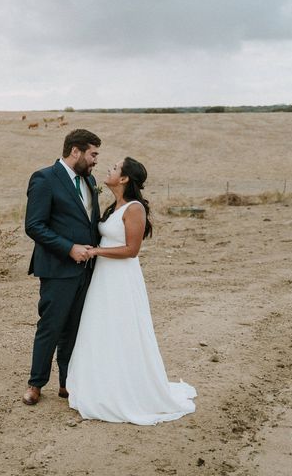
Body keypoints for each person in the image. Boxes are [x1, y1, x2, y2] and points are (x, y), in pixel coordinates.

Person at [66, 157, 197, 424]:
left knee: (121, 329)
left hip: (121, 279)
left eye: (115, 168)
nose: (109, 169)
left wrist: (95, 251)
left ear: (124, 178)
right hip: (104, 277)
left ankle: (126, 391)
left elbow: (131, 250)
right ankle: (101, 385)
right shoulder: (115, 205)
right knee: (101, 328)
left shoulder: (135, 208)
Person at [23, 128, 102, 405]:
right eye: (93, 154)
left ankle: (67, 383)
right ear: (75, 151)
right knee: (51, 326)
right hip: (57, 268)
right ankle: (36, 383)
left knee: (75, 328)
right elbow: (34, 226)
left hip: (87, 270)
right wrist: (69, 248)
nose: (95, 161)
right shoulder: (45, 178)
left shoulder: (90, 181)